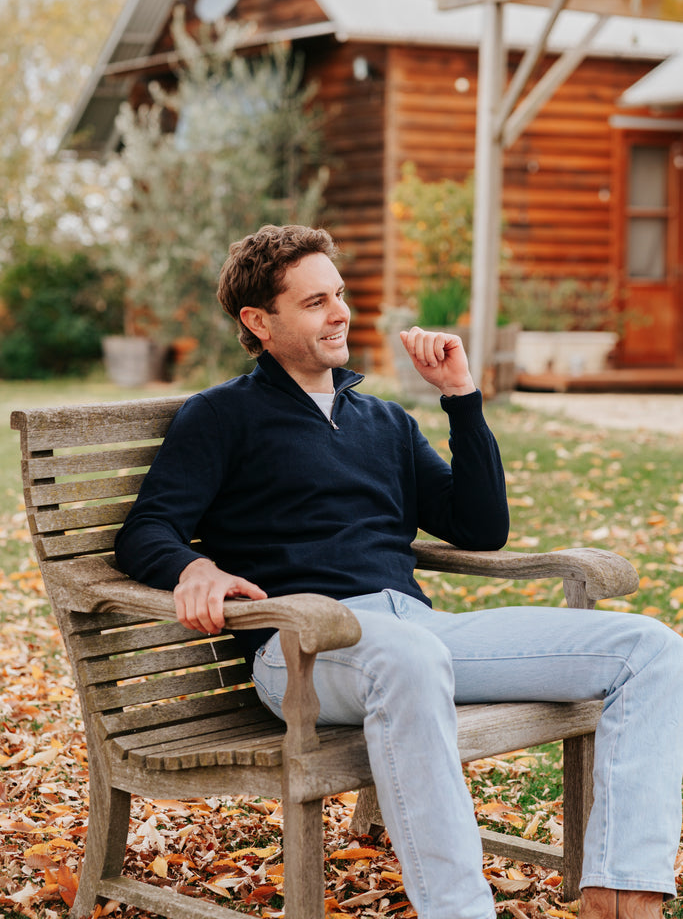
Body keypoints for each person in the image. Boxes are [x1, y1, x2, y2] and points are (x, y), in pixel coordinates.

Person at [115, 224, 683, 919]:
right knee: (410, 653)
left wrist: (460, 396)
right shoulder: (221, 416)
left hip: (416, 629)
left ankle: (621, 894)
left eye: (340, 295)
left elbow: (479, 528)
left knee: (649, 649)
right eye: (315, 301)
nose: (339, 312)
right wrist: (192, 566)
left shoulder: (381, 421)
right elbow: (146, 528)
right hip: (301, 647)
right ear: (259, 322)